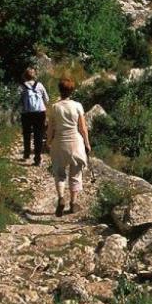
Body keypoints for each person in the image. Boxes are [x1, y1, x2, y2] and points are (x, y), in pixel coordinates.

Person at [46, 78, 91, 216]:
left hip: (59, 143)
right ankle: (73, 203)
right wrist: (87, 143)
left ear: (60, 90)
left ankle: (60, 198)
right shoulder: (77, 106)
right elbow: (83, 128)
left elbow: (50, 128)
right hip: (76, 143)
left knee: (59, 173)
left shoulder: (54, 107)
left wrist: (48, 142)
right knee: (75, 174)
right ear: (72, 91)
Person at [18, 68, 49, 165]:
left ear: (25, 76)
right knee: (38, 134)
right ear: (34, 75)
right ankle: (37, 158)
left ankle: (26, 153)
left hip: (26, 113)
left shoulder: (22, 86)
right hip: (40, 113)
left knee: (26, 133)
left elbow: (18, 100)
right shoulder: (39, 85)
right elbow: (46, 99)